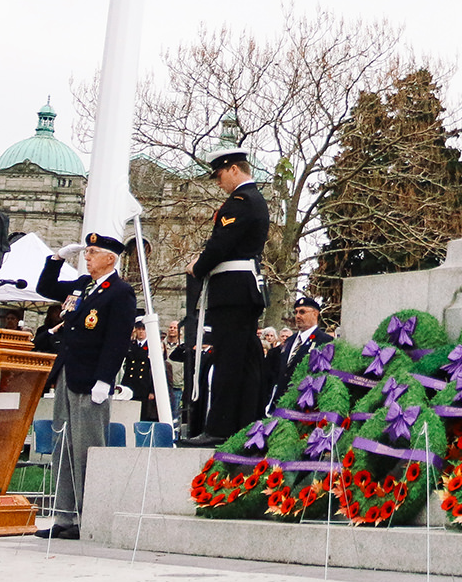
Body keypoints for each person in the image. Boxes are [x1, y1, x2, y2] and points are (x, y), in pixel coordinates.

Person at [34, 231, 138, 540]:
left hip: (92, 378)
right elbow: (45, 288)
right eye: (87, 252)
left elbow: (117, 340)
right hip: (68, 372)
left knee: (86, 448)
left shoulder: (120, 292)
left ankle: (87, 515)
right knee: (63, 447)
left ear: (110, 258)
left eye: (93, 252)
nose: (87, 257)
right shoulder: (82, 285)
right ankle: (64, 516)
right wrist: (56, 259)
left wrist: (105, 379)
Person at [181, 146, 270, 448]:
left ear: (234, 169)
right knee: (246, 362)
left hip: (233, 291)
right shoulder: (251, 199)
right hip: (242, 289)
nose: (219, 182)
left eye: (220, 175)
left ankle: (219, 427)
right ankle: (247, 424)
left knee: (228, 361)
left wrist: (198, 266)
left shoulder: (241, 202)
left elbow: (221, 244)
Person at [266, 296, 328, 413]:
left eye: (302, 312)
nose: (297, 316)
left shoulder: (324, 341)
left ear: (315, 314)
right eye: (296, 312)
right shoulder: (290, 340)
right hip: (279, 405)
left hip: (302, 406)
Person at [120, 320, 159, 424]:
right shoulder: (131, 345)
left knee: (143, 413)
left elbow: (154, 370)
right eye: (139, 329)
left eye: (143, 329)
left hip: (144, 384)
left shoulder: (151, 345)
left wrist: (152, 390)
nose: (141, 332)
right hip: (130, 382)